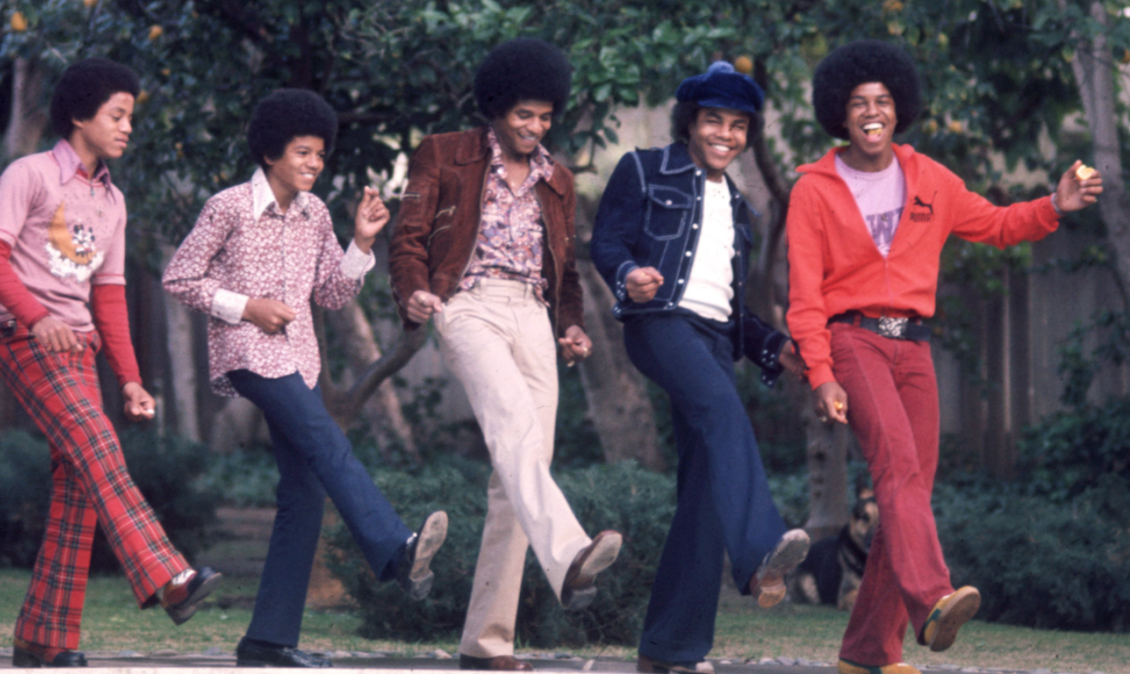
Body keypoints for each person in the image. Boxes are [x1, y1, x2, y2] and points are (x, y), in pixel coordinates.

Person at [785, 40, 1103, 674]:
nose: (872, 112)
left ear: (899, 108)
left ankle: (866, 653)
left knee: (910, 494)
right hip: (853, 339)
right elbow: (804, 298)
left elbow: (998, 223)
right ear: (839, 112)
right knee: (897, 468)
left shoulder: (930, 177)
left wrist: (1053, 205)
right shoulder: (813, 190)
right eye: (858, 103)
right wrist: (820, 373)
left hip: (914, 347)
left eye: (883, 101)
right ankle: (933, 598)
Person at [163, 89, 448, 669]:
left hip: (301, 360)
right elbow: (180, 277)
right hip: (248, 353)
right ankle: (395, 548)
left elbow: (332, 295)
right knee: (325, 441)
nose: (315, 163)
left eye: (320, 153)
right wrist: (248, 307)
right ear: (271, 152)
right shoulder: (228, 207)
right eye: (302, 152)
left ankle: (267, 641)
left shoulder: (315, 213)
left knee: (304, 491)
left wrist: (361, 242)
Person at [0, 57, 222, 668]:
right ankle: (168, 576)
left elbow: (109, 296)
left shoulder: (113, 200)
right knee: (97, 443)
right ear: (81, 116)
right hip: (22, 336)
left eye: (130, 117)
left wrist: (130, 379)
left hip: (77, 348)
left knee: (80, 485)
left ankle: (42, 639)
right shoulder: (30, 174)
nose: (127, 126)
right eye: (117, 115)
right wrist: (38, 318)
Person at [389, 38, 622, 672]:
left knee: (520, 472)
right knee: (515, 431)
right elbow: (408, 237)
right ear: (495, 107)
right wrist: (414, 291)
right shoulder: (444, 153)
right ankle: (570, 554)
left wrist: (571, 327)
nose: (535, 127)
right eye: (524, 114)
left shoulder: (558, 181)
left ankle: (485, 642)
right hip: (466, 304)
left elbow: (564, 272)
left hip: (532, 315)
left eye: (544, 117)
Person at [590, 61, 811, 674]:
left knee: (705, 491)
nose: (726, 135)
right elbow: (606, 241)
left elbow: (732, 308)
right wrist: (627, 274)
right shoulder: (644, 168)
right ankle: (762, 551)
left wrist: (772, 346)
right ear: (690, 122)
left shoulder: (740, 206)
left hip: (714, 343)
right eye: (714, 120)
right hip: (660, 324)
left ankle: (669, 649)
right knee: (723, 412)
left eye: (738, 126)